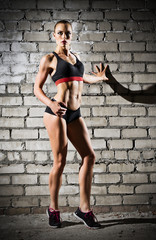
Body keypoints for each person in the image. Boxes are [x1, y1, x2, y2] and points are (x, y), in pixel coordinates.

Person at [34, 20, 108, 229]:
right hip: (56, 113)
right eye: (60, 33)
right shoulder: (49, 58)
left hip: (75, 113)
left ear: (72, 35)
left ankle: (84, 210)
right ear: (54, 35)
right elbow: (36, 89)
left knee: (89, 156)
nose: (64, 36)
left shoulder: (75, 58)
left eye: (67, 33)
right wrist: (51, 103)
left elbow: (80, 78)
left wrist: (99, 79)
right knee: (60, 162)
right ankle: (53, 209)